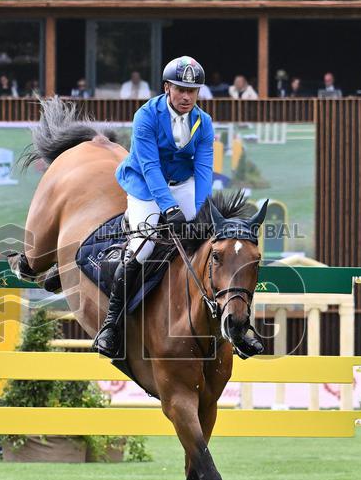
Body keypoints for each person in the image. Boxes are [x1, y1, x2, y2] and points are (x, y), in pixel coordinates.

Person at [94, 57, 262, 360]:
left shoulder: (204, 122)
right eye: (181, 89)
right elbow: (150, 166)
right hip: (146, 186)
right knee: (141, 249)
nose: (187, 97)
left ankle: (236, 328)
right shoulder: (146, 116)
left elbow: (204, 170)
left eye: (193, 91)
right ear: (167, 87)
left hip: (184, 185)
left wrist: (199, 213)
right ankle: (111, 325)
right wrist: (169, 208)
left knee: (212, 248)